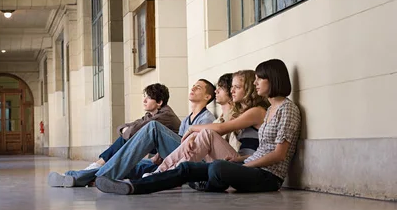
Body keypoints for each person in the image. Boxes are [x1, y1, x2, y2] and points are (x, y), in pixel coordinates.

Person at [95, 59, 302, 195]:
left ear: (273, 80)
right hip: (252, 166)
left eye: (260, 78)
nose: (256, 83)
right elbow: (261, 149)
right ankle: (134, 186)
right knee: (188, 167)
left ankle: (204, 179)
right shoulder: (271, 110)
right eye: (254, 79)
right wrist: (239, 160)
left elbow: (278, 155)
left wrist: (244, 165)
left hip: (269, 177)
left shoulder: (287, 109)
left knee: (217, 168)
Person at [48, 79, 217, 187]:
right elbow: (179, 141)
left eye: (199, 87)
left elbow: (198, 146)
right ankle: (74, 177)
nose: (193, 88)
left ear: (208, 96)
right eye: (193, 85)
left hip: (192, 160)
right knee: (128, 165)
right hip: (169, 158)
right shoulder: (188, 119)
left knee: (151, 128)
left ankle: (101, 176)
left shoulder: (207, 118)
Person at [147, 70, 269, 177]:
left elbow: (221, 128)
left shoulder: (257, 111)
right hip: (238, 160)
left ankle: (170, 174)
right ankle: (161, 171)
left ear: (248, 89)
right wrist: (194, 136)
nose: (232, 90)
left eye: (237, 87)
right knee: (202, 135)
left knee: (206, 133)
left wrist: (192, 129)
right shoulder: (241, 113)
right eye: (232, 86)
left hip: (248, 166)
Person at [82, 83, 181, 171]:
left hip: (172, 152)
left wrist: (127, 131)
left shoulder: (165, 115)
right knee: (128, 145)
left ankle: (100, 164)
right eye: (145, 97)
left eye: (149, 98)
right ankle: (101, 166)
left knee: (129, 138)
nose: (144, 100)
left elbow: (133, 131)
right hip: (160, 153)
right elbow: (127, 126)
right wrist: (125, 130)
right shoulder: (150, 115)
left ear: (159, 102)